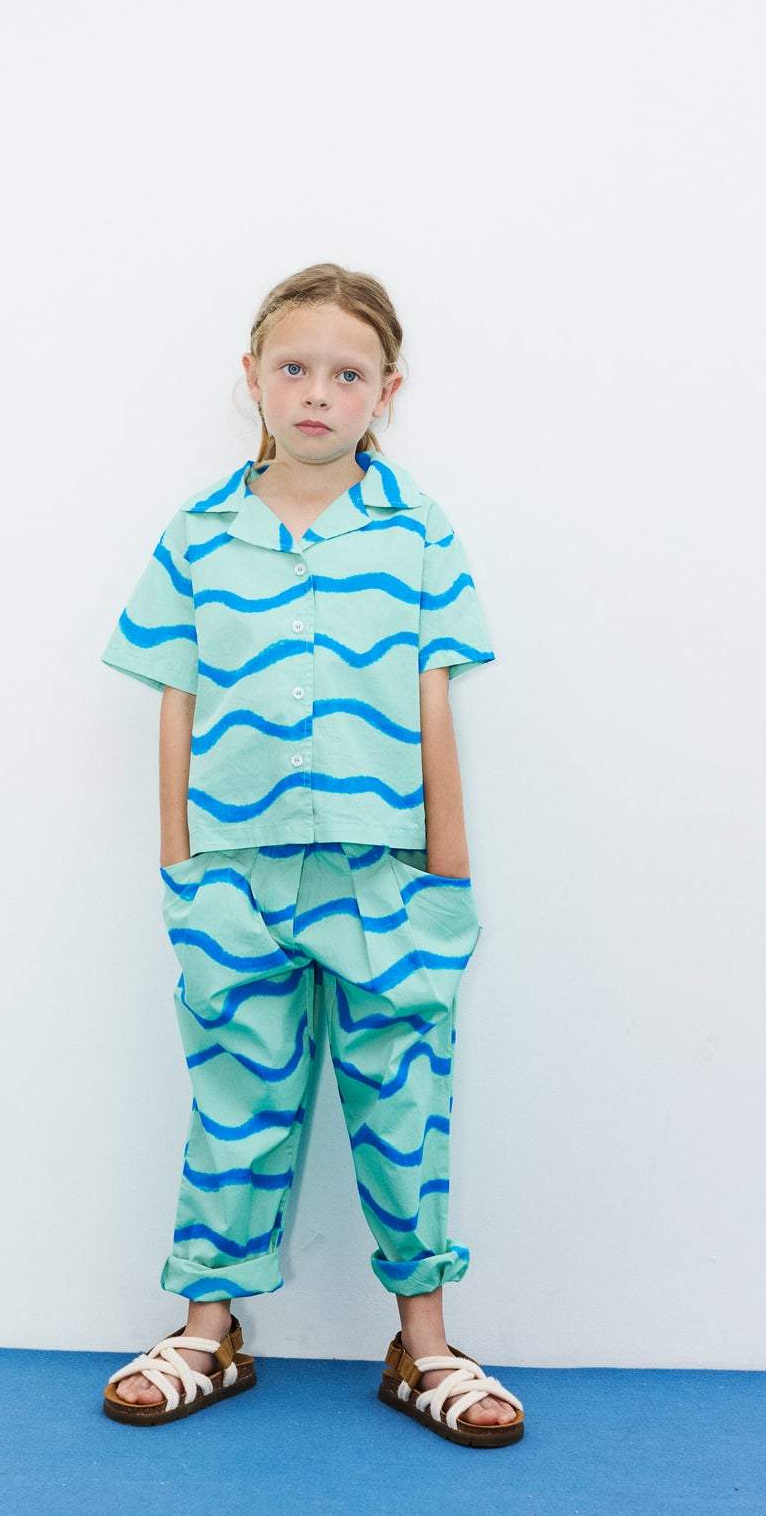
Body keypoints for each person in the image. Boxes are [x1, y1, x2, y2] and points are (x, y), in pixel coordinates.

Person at [98, 263, 525, 1447]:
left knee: (404, 1103)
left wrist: (448, 879)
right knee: (235, 1101)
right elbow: (175, 704)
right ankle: (206, 1331)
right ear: (253, 378)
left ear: (387, 391)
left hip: (385, 876)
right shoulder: (198, 537)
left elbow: (434, 704)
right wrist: (182, 869)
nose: (318, 393)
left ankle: (426, 1344)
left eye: (347, 374)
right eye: (294, 368)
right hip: (234, 876)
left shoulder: (417, 533)